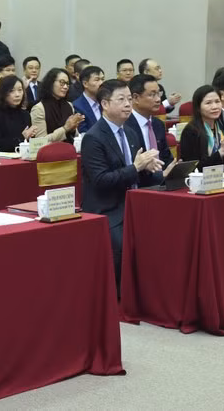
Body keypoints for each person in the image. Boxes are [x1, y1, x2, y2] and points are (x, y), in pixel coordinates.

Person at [80, 79, 166, 291]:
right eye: (121, 99)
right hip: (107, 208)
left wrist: (152, 169)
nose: (128, 104)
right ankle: (122, 296)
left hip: (133, 203)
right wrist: (136, 168)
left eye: (129, 99)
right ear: (105, 104)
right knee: (122, 243)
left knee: (166, 231)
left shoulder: (130, 132)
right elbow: (101, 181)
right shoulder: (93, 138)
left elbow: (138, 175)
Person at [179, 85, 224, 171]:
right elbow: (194, 169)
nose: (215, 107)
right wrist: (222, 151)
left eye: (217, 101)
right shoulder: (191, 131)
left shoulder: (220, 127)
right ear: (198, 107)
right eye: (208, 103)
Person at [124, 74, 175, 169]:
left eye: (158, 94)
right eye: (152, 95)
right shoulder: (125, 125)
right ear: (135, 98)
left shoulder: (158, 124)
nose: (158, 99)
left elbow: (166, 157)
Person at [0, 75, 38, 152]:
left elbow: (29, 143)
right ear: (3, 93)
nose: (17, 95)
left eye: (20, 90)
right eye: (11, 91)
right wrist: (22, 137)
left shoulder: (25, 114)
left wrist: (31, 136)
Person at [30, 68, 84, 142]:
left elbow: (76, 137)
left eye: (67, 84)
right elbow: (40, 142)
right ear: (51, 83)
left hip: (69, 150)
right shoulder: (39, 108)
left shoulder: (69, 105)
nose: (65, 87)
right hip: (50, 152)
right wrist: (65, 128)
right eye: (62, 82)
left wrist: (73, 129)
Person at [73, 65, 105, 133]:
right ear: (85, 83)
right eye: (97, 80)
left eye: (102, 79)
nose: (101, 83)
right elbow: (83, 132)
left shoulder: (105, 102)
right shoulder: (77, 106)